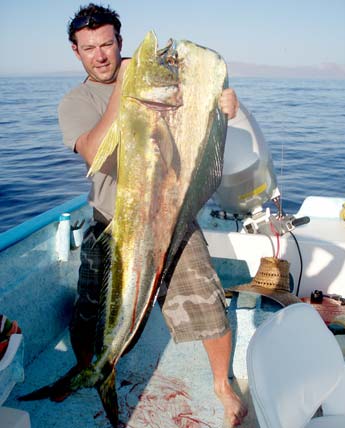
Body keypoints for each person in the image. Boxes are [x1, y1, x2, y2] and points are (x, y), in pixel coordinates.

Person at [58, 3, 248, 426]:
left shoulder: (160, 78)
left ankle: (222, 385)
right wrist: (127, 91)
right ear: (76, 52)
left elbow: (198, 126)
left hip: (172, 215)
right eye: (89, 48)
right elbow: (92, 150)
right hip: (112, 221)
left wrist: (227, 109)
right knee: (91, 310)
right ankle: (94, 369)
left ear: (120, 42)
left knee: (206, 302)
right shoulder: (76, 101)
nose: (101, 55)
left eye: (107, 44)